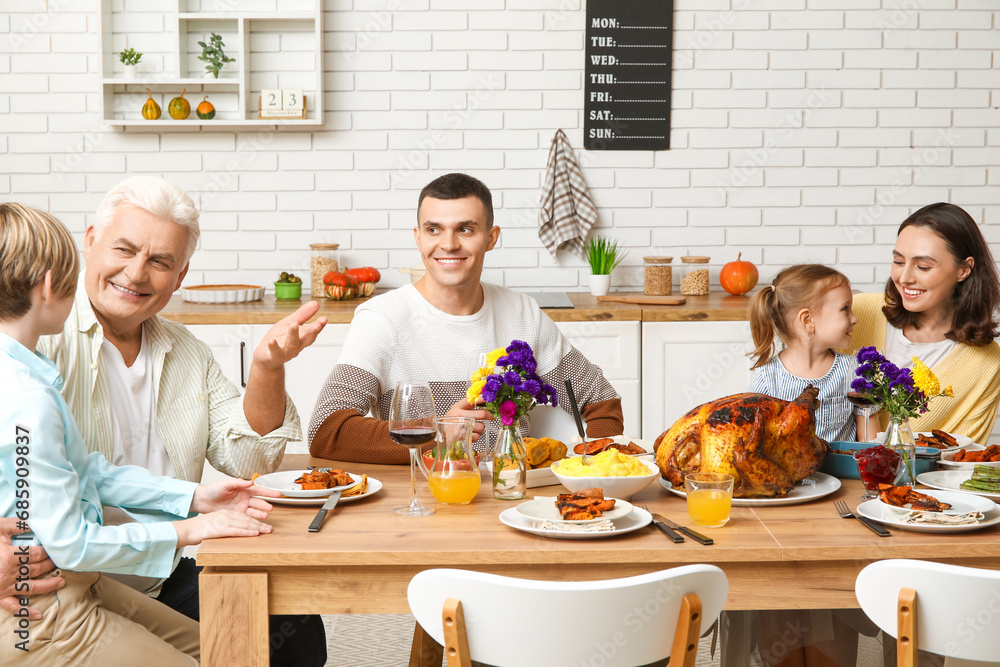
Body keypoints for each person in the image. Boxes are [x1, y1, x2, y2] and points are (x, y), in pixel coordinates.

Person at [30, 176, 329, 666]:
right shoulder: (38, 337)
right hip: (67, 582)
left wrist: (267, 369)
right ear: (90, 241)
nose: (136, 273)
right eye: (123, 250)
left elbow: (246, 458)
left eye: (160, 262)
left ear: (181, 274)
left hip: (161, 573)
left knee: (293, 625)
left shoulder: (186, 351)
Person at [309, 172, 624, 463]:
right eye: (434, 229)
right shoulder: (383, 319)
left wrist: (591, 471)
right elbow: (326, 431)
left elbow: (603, 405)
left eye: (465, 229)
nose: (448, 244)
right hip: (425, 503)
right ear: (418, 237)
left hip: (511, 500)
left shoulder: (523, 313)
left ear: (491, 237)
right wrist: (436, 431)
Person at [850, 202, 1000, 443]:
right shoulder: (859, 312)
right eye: (898, 262)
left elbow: (963, 460)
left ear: (963, 269)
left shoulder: (986, 362)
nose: (905, 277)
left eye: (923, 266)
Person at [747, 264, 876, 443]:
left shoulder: (856, 371)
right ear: (808, 320)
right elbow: (759, 441)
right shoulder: (767, 376)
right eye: (845, 309)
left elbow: (871, 442)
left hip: (842, 472)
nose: (855, 319)